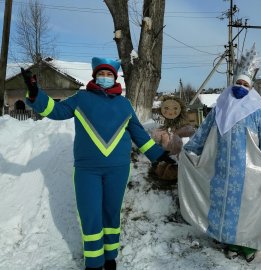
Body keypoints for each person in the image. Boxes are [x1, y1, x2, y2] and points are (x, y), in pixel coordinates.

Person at [21, 57, 174, 270]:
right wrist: (35, 92)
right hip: (87, 170)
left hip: (118, 170)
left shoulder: (124, 104)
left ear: (115, 77)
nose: (104, 77)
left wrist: (158, 155)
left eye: (109, 74)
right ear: (95, 76)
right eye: (101, 74)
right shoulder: (81, 98)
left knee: (111, 212)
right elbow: (56, 112)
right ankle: (93, 262)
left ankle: (110, 256)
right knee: (90, 214)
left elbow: (139, 134)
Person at [178, 45, 261, 263]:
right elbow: (204, 132)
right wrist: (190, 150)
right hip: (221, 171)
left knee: (247, 211)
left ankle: (247, 246)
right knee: (225, 208)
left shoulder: (258, 111)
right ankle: (229, 241)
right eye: (238, 82)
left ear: (251, 86)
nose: (241, 87)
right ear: (233, 82)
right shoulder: (220, 107)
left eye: (246, 84)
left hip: (249, 174)